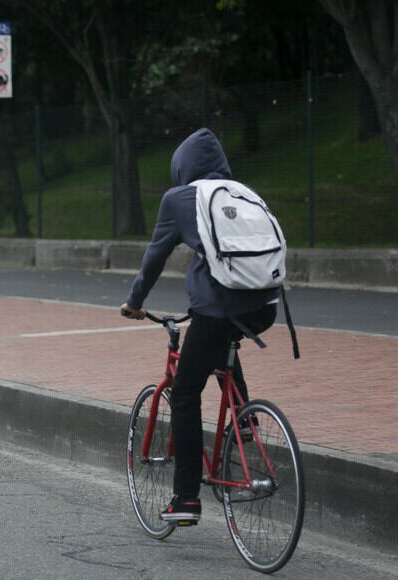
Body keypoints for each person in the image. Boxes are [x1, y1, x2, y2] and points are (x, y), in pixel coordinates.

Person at [120, 128, 279, 525]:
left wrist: (135, 301)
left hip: (218, 308)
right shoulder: (243, 193)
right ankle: (244, 425)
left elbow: (155, 257)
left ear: (183, 168)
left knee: (186, 393)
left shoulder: (179, 199)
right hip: (266, 306)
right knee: (224, 342)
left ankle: (186, 498)